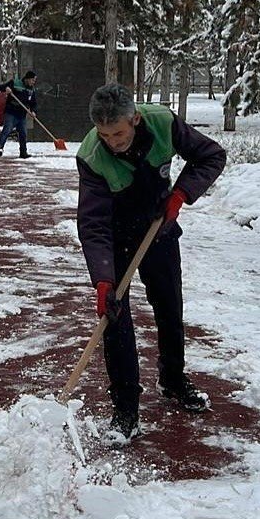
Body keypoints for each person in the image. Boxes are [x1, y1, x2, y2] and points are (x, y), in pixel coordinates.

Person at [76, 82, 226, 437]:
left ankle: (173, 380)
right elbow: (93, 224)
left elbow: (211, 155)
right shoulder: (91, 156)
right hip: (114, 238)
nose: (112, 141)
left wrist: (181, 194)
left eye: (118, 132)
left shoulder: (163, 123)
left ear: (135, 119)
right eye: (105, 134)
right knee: (115, 320)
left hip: (158, 227)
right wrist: (103, 280)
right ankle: (125, 408)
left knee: (170, 307)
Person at [0, 70, 38, 158]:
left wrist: (33, 111)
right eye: (33, 80)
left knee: (23, 133)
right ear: (27, 79)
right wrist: (6, 88)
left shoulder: (31, 90)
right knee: (7, 130)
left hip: (21, 115)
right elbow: (1, 87)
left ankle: (23, 152)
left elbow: (33, 103)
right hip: (11, 112)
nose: (33, 82)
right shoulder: (15, 83)